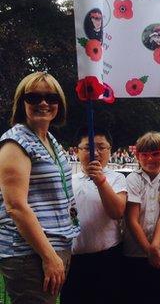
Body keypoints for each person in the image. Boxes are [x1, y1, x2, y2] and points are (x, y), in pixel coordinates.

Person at [0, 71, 80, 303]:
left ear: (60, 103)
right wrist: (49, 256)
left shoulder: (48, 139)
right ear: (21, 102)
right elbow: (15, 206)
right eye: (33, 97)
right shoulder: (16, 143)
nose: (43, 103)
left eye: (51, 97)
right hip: (29, 253)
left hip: (52, 247)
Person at [60, 127, 127, 304]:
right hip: (74, 260)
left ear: (110, 150)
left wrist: (100, 181)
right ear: (77, 151)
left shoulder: (116, 178)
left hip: (107, 259)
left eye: (101, 147)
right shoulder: (68, 181)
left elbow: (117, 212)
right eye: (88, 148)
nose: (95, 153)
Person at [122, 132, 160, 304]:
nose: (150, 159)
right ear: (137, 156)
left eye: (155, 154)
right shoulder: (132, 179)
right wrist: (149, 251)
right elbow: (132, 219)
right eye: (144, 155)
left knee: (158, 296)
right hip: (135, 252)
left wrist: (155, 248)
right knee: (135, 296)